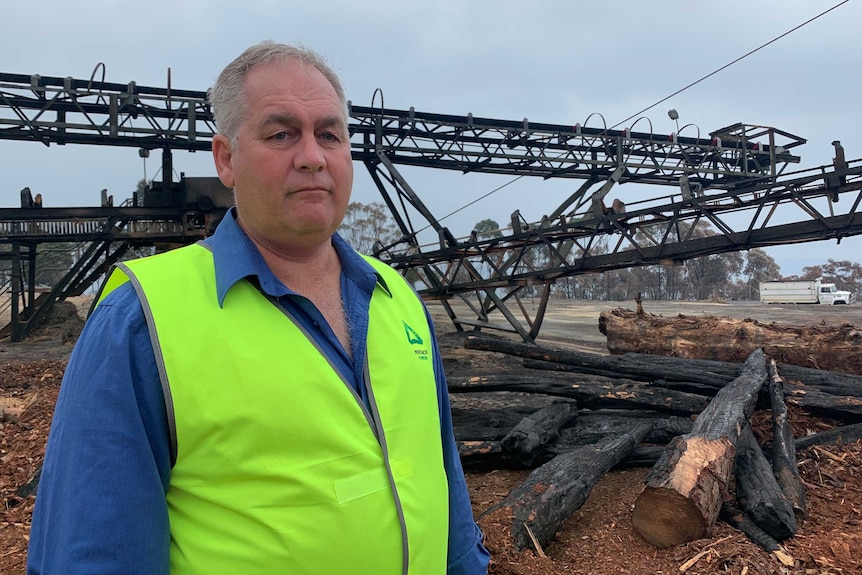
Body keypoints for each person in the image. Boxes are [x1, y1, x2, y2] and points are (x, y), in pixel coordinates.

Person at [27, 41, 490, 575]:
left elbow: (443, 480)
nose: (313, 156)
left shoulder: (397, 297)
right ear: (225, 159)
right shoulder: (139, 319)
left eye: (330, 134)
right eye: (281, 134)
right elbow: (94, 554)